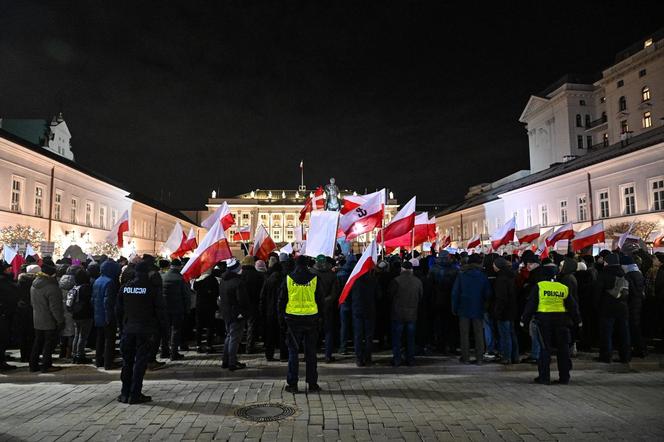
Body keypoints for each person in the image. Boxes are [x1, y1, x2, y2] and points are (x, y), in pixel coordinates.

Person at [116, 259, 167, 404]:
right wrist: (162, 330)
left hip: (128, 329)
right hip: (145, 330)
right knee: (140, 363)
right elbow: (159, 311)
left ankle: (124, 393)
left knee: (127, 362)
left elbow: (118, 310)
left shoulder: (125, 288)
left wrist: (122, 327)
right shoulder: (152, 289)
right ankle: (135, 393)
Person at [521, 268, 581, 385]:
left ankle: (544, 377)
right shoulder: (562, 287)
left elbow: (531, 304)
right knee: (563, 350)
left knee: (545, 349)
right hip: (562, 321)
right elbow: (572, 306)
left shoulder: (540, 286)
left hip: (544, 321)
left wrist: (524, 320)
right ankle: (564, 377)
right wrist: (578, 320)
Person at [278, 255, 324, 393]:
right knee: (311, 353)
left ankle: (293, 384)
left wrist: (281, 319)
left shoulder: (288, 279)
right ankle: (312, 383)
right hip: (311, 319)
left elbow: (281, 301)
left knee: (293, 353)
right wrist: (320, 318)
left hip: (292, 320)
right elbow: (320, 300)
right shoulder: (315, 279)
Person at [452, 254, 491, 364]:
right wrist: (485, 306)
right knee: (479, 333)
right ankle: (479, 358)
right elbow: (487, 293)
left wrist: (454, 307)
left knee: (464, 334)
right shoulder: (483, 276)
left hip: (463, 307)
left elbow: (455, 293)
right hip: (478, 307)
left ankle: (466, 357)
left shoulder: (462, 275)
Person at [595, 253, 630, 363]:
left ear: (608, 262)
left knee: (606, 333)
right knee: (624, 333)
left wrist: (596, 306)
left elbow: (597, 293)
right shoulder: (624, 274)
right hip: (623, 308)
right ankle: (625, 356)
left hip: (607, 308)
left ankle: (606, 356)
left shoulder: (603, 274)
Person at [29, 262, 65, 373]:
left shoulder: (34, 284)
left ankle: (33, 364)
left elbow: (32, 302)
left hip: (37, 318)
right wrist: (60, 320)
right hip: (49, 320)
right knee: (49, 344)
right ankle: (46, 365)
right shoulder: (51, 287)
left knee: (38, 342)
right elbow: (55, 307)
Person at [389, 260, 423, 366]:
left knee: (397, 338)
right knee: (411, 339)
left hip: (398, 313)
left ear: (402, 269)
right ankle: (411, 359)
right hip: (412, 314)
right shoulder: (418, 281)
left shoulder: (395, 281)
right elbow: (421, 296)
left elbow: (390, 296)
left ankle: (397, 359)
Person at [218, 258, 249, 370]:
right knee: (234, 338)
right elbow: (242, 300)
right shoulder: (238, 282)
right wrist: (242, 312)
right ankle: (232, 362)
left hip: (226, 313)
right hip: (236, 314)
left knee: (229, 336)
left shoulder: (223, 280)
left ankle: (225, 361)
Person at [92, 260, 121, 370]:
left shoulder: (97, 281)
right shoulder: (109, 282)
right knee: (109, 340)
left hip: (98, 315)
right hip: (106, 316)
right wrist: (110, 317)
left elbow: (93, 299)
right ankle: (108, 363)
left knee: (100, 339)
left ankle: (99, 361)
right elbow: (108, 302)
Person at [311, 255, 340, 363]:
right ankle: (328, 355)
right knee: (328, 331)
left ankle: (311, 354)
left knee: (313, 331)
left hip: (314, 306)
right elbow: (335, 292)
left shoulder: (311, 274)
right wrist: (327, 301)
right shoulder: (332, 275)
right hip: (328, 307)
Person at [160, 259, 190, 361]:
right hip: (177, 308)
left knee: (165, 331)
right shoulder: (181, 278)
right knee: (175, 330)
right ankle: (174, 353)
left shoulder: (163, 277)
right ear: (179, 266)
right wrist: (187, 308)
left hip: (164, 308)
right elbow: (186, 295)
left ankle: (164, 351)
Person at [492, 257, 519, 365]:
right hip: (512, 309)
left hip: (504, 311)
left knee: (505, 335)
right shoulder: (511, 276)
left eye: (494, 264)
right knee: (512, 334)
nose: (492, 266)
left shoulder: (501, 279)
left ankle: (506, 357)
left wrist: (497, 311)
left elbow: (501, 297)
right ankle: (515, 356)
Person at [621, 254, 646, 357]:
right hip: (638, 303)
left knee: (633, 327)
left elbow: (628, 291)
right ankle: (640, 349)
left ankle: (639, 349)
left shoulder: (628, 275)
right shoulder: (638, 273)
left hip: (631, 304)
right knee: (636, 327)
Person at [239, 255, 265, 354]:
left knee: (240, 326)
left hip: (241, 304)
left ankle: (238, 345)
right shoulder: (257, 275)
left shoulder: (239, 275)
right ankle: (249, 347)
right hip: (253, 304)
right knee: (251, 326)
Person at [70, 268, 94, 364]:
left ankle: (74, 354)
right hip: (85, 314)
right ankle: (80, 355)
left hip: (76, 314)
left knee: (76, 335)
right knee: (83, 336)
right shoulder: (86, 288)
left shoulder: (75, 287)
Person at [193, 269, 219, 353]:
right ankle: (208, 346)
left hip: (199, 305)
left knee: (199, 326)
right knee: (210, 326)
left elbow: (194, 288)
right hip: (210, 305)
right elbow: (217, 292)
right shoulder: (212, 279)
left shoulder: (198, 279)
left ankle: (198, 345)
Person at [0, 261, 19, 370]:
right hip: (3, 314)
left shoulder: (6, 280)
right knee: (2, 339)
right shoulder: (3, 281)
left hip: (6, 313)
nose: (10, 269)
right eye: (7, 268)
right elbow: (10, 296)